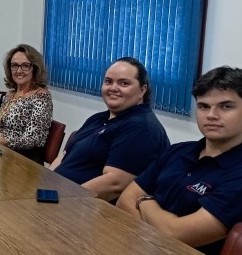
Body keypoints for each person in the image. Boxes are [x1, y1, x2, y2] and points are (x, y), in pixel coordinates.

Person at [117, 66, 242, 255]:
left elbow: (175, 234)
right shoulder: (178, 151)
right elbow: (124, 200)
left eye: (226, 106)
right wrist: (155, 225)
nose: (211, 115)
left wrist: (145, 200)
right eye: (203, 106)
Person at [50, 57, 170, 201]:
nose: (113, 88)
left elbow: (114, 185)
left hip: (83, 208)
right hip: (57, 195)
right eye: (108, 81)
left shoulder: (142, 128)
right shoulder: (98, 118)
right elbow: (64, 155)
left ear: (142, 90)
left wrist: (61, 198)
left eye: (124, 83)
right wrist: (46, 182)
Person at [0, 44, 53, 164]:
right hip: (3, 154)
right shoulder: (10, 94)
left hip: (26, 161)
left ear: (35, 68)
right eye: (14, 66)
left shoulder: (41, 96)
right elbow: (1, 128)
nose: (19, 71)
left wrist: (5, 141)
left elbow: (34, 139)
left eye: (25, 66)